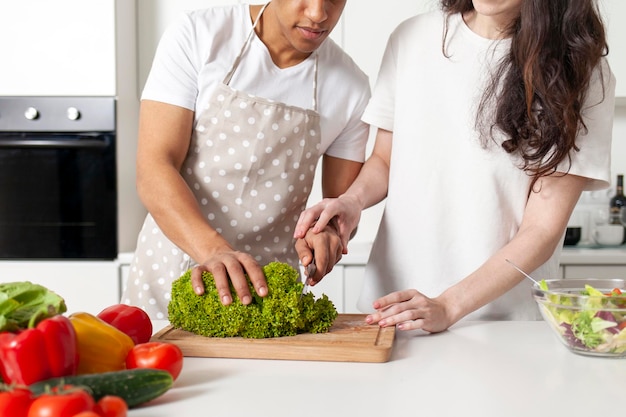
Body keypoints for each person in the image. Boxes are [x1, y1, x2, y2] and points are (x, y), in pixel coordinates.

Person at [294, 0, 616, 333]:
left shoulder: (581, 70)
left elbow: (543, 229)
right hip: (392, 310)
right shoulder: (413, 38)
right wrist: (352, 201)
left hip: (501, 326)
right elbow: (384, 160)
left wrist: (449, 304)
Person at [121, 0, 371, 319]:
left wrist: (327, 232)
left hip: (267, 300)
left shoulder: (352, 88)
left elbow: (339, 204)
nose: (319, 14)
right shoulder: (199, 35)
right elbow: (155, 167)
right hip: (168, 276)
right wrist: (213, 251)